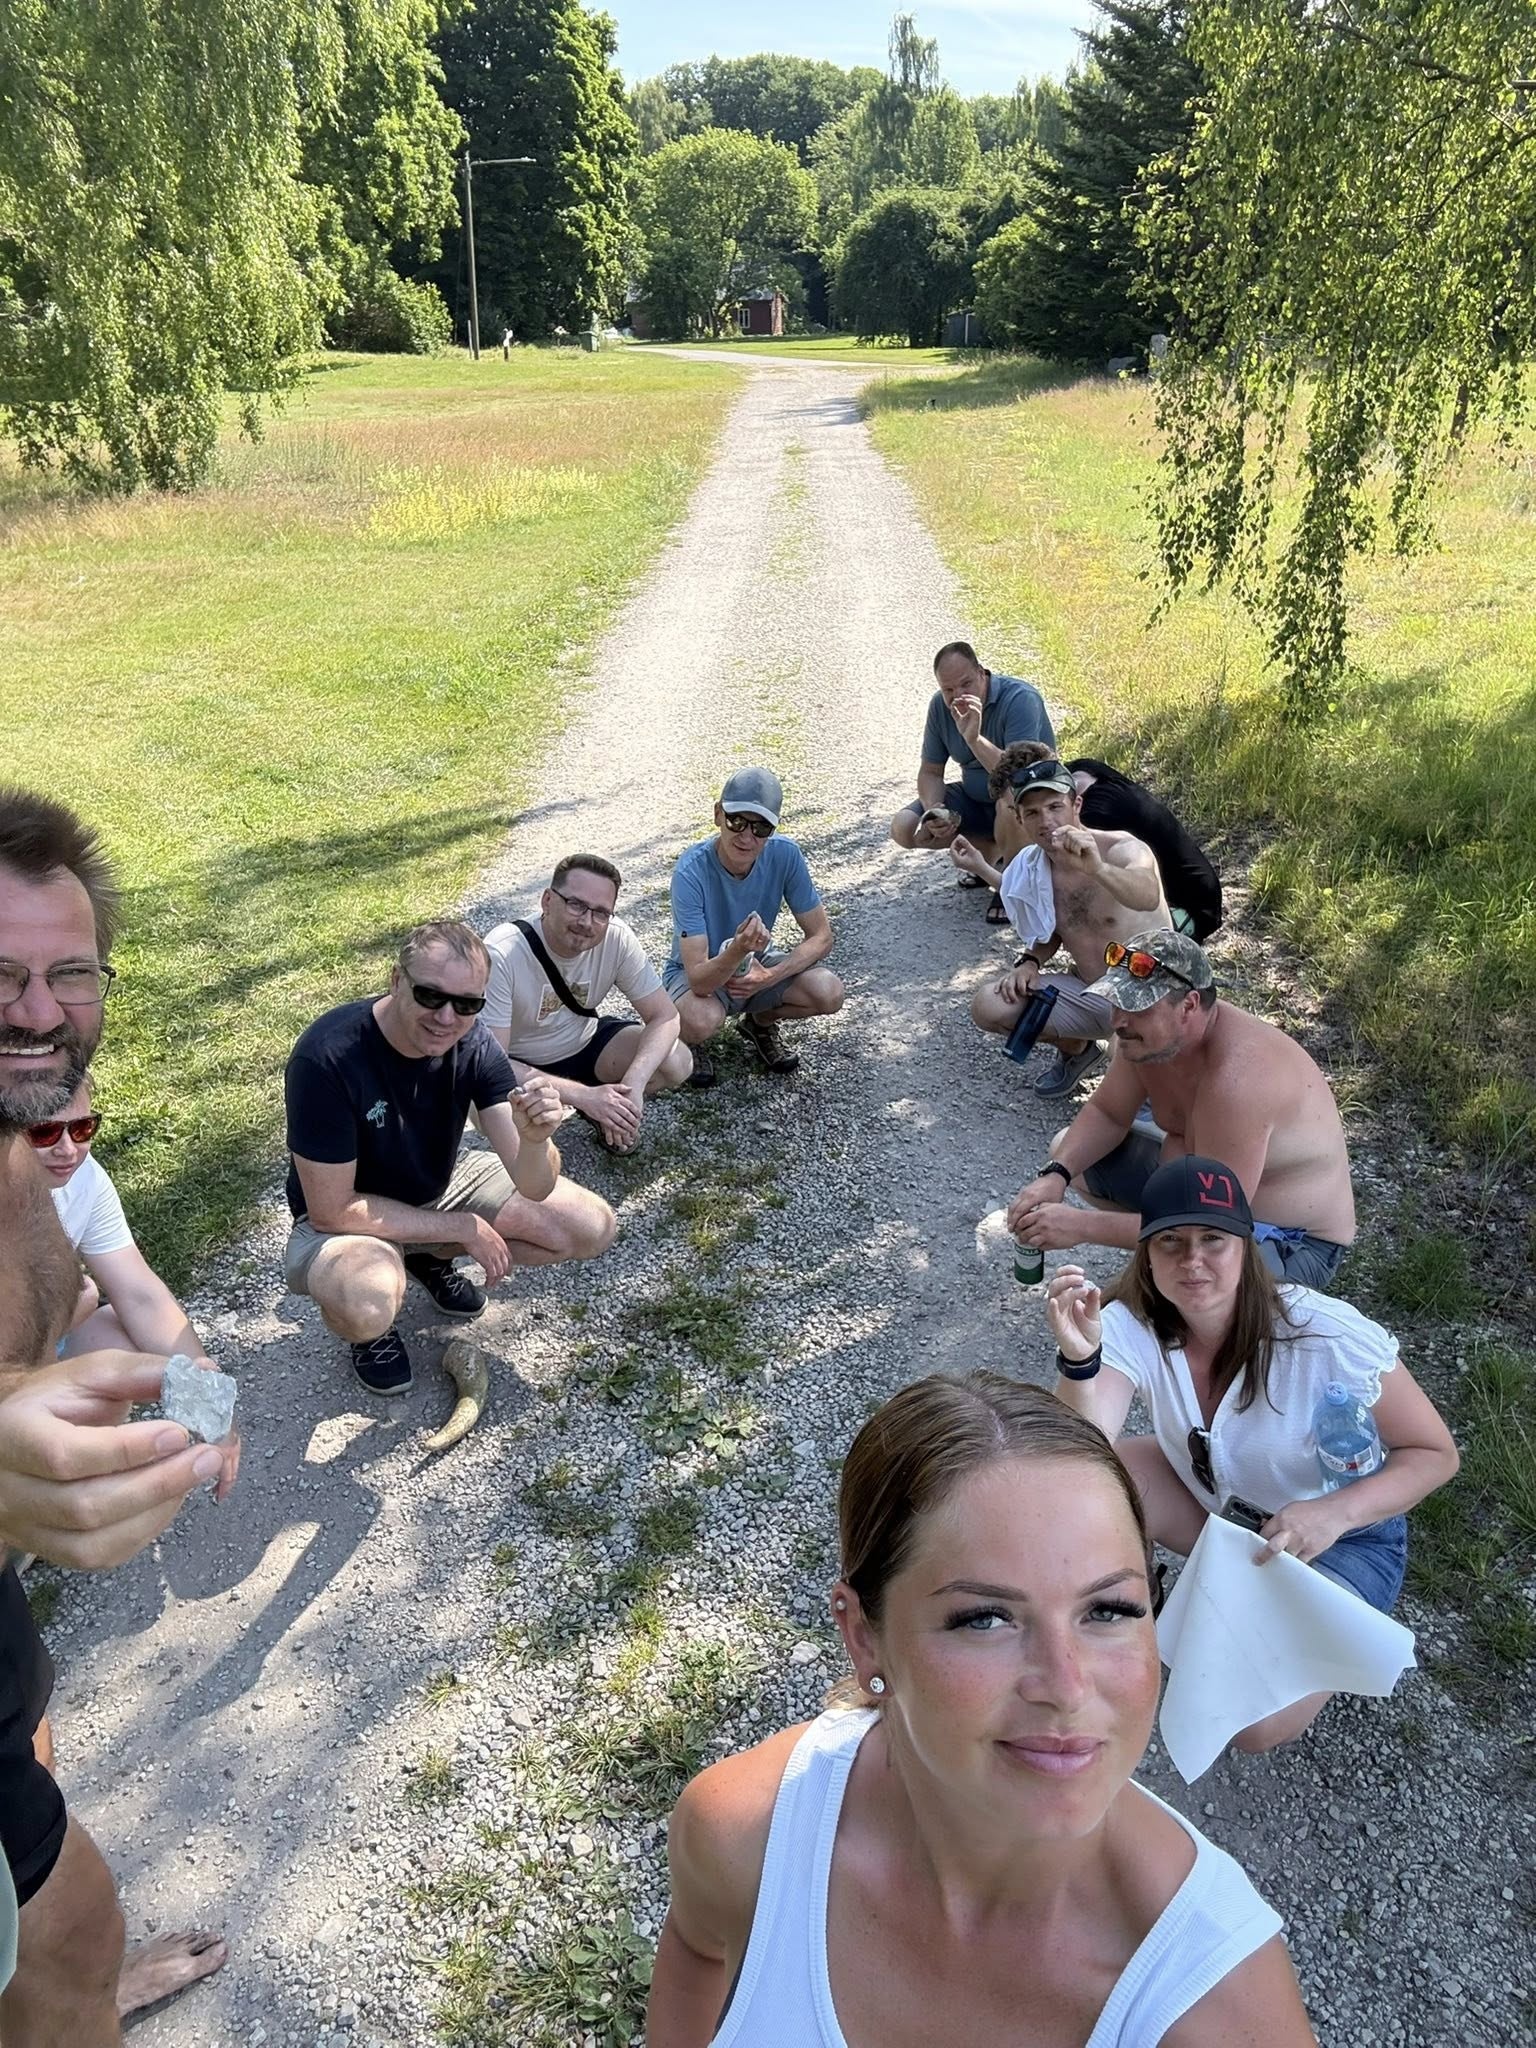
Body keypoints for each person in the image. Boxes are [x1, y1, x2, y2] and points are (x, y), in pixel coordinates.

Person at [647, 1371, 1314, 2046]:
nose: (1067, 1687)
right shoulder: (746, 1833)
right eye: (985, 1619)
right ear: (865, 1636)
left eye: (1109, 1609)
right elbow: (697, 1952)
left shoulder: (1220, 2009)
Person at [0, 788, 229, 2042]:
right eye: (1, 975)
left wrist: (214, 1409)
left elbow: (145, 1299)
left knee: (73, 1925)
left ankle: (87, 1991)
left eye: (69, 972)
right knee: (72, 1926)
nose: (39, 1011)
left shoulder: (49, 1158)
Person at [1046, 1156, 1459, 1751]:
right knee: (1102, 1488)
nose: (1192, 1260)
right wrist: (1080, 1363)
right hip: (1224, 1509)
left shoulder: (1324, 1336)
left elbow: (1435, 1453)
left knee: (1249, 1726)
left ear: (1246, 1246)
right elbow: (1080, 1455)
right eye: (1171, 1241)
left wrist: (1333, 1514)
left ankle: (1303, 1627)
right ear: (1147, 1254)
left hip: (1342, 1539)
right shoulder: (1132, 1324)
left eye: (1213, 1239)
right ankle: (1138, 1604)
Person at [284, 917, 615, 1396]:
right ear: (397, 981)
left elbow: (535, 1185)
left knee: (590, 1226)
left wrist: (535, 1139)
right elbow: (331, 1210)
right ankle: (372, 1330)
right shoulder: (328, 1056)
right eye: (429, 995)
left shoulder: (473, 1042)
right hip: (348, 1215)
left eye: (466, 1004)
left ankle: (423, 1255)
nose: (446, 1017)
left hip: (434, 1185)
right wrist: (462, 1226)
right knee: (367, 1303)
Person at [1008, 928, 1357, 1290]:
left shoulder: (1238, 1080)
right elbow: (1107, 1113)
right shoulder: (1147, 1041)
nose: (1118, 1021)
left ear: (1189, 1005)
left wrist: (1081, 1226)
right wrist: (1056, 1174)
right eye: (1116, 1003)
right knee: (1071, 1152)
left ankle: (1188, 1280)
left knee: (1176, 1290)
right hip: (1209, 1209)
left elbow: (1208, 1223)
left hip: (1293, 1243)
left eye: (1137, 1008)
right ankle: (1162, 1255)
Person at [957, 748, 1169, 1099]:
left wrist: (1097, 869)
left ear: (1076, 806)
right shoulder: (1033, 867)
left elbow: (1146, 894)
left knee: (1127, 1061)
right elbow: (1053, 927)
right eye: (1032, 813)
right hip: (1092, 992)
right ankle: (1079, 1050)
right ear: (1020, 820)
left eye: (1055, 807)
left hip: (1150, 993)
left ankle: (1148, 1097)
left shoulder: (1121, 849)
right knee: (990, 1005)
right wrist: (1030, 961)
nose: (1046, 821)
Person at [484, 854, 690, 1153]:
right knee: (510, 1123)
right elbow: (493, 1061)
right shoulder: (502, 952)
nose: (587, 922)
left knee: (677, 1061)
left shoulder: (616, 938)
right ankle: (582, 1106)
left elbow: (665, 1016)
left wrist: (632, 1084)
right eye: (576, 904)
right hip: (522, 1063)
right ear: (547, 901)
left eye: (601, 912)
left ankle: (605, 1104)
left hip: (584, 1044)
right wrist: (583, 1096)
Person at [664, 769, 844, 1086]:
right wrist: (738, 950)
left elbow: (822, 937)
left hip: (756, 966)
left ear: (773, 829)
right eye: (737, 821)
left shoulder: (786, 855)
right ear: (718, 815)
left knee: (829, 992)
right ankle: (691, 1041)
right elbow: (699, 980)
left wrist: (769, 976)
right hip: (700, 974)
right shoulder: (690, 872)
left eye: (761, 827)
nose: (747, 837)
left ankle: (760, 1022)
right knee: (700, 1019)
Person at [30, 1075, 216, 1368]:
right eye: (44, 1133)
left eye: (81, 1128)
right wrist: (72, 1310)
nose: (67, 1149)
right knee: (85, 1302)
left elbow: (139, 1294)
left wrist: (199, 1379)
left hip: (52, 1335)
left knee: (137, 1358)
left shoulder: (85, 1178)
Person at [889, 642, 1056, 925]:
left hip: (1026, 799)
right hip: (975, 798)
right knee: (904, 827)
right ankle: (989, 858)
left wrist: (974, 739)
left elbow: (1019, 777)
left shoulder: (1020, 699)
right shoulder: (939, 707)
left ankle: (1010, 887)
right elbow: (930, 771)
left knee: (1010, 800)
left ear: (982, 673)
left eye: (966, 684)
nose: (958, 696)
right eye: (948, 690)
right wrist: (935, 810)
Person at [1067, 758, 1222, 942]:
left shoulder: (1094, 815)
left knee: (1101, 918)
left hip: (1190, 909)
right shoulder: (1085, 768)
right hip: (1204, 889)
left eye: (1052, 806)